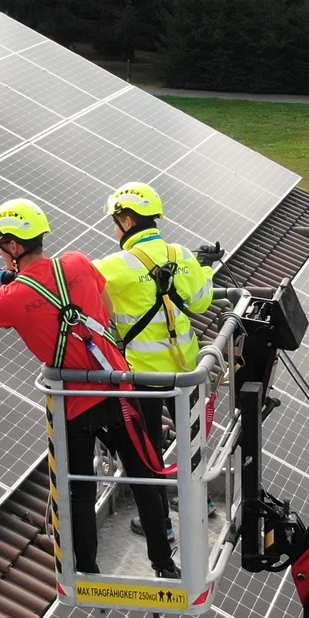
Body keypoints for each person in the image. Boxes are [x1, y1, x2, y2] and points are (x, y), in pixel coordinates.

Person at [0, 198, 177, 578]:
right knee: (143, 477)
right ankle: (164, 565)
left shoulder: (12, 298)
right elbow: (103, 303)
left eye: (0, 247)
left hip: (75, 403)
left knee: (80, 491)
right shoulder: (77, 262)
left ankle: (87, 574)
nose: (1, 254)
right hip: (119, 388)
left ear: (13, 245)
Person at [95, 183, 220, 537]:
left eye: (115, 222)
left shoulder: (114, 266)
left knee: (148, 449)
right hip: (188, 369)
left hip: (145, 378)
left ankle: (160, 523)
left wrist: (14, 278)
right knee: (192, 438)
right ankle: (202, 502)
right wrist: (203, 267)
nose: (115, 229)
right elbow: (201, 302)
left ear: (127, 220)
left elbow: (70, 284)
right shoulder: (181, 255)